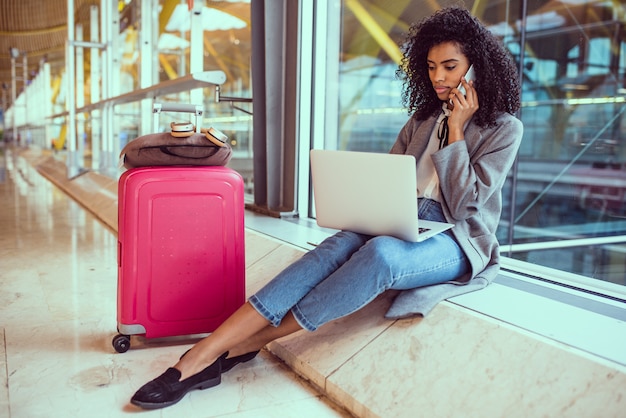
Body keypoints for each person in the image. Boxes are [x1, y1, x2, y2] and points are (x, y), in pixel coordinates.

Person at [130, 6, 523, 410]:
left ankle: (246, 343)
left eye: (451, 66)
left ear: (476, 67)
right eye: (431, 66)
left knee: (381, 255)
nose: (438, 77)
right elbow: (389, 179)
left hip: (456, 238)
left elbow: (464, 205)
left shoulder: (505, 128)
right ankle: (201, 353)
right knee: (335, 247)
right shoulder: (422, 119)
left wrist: (457, 130)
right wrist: (374, 207)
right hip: (405, 217)